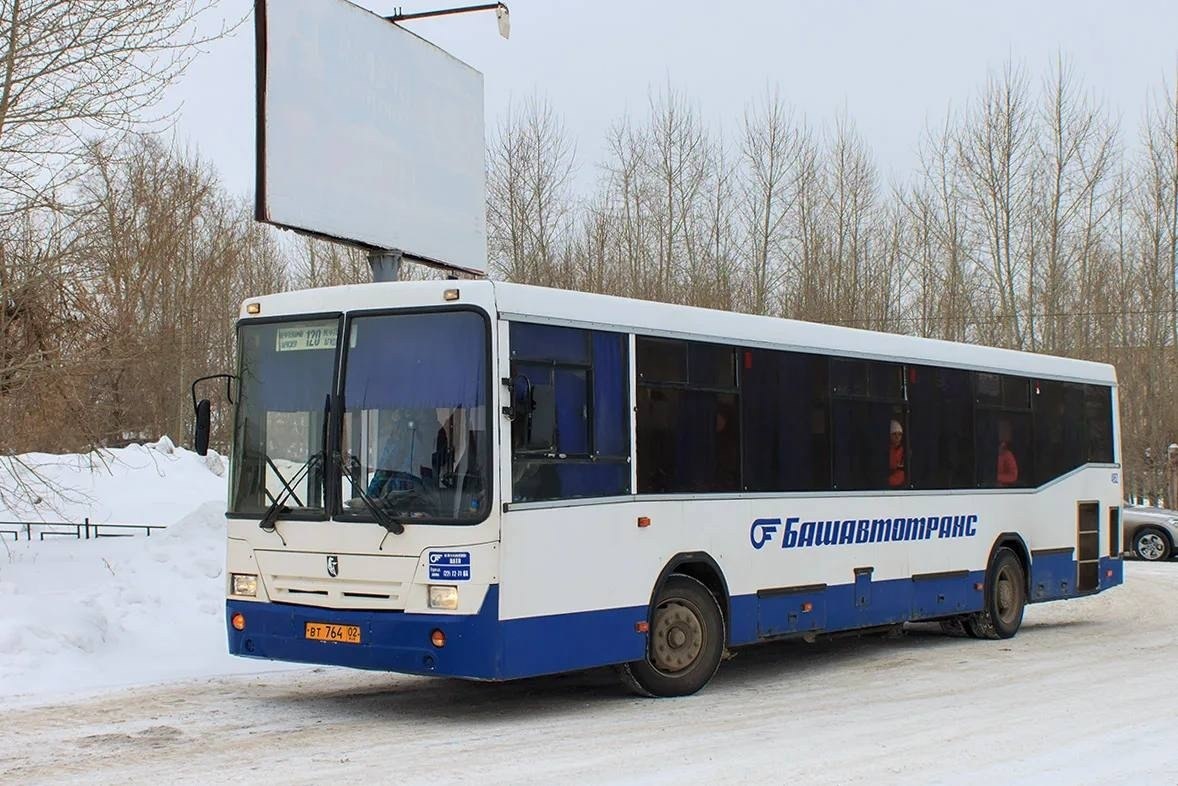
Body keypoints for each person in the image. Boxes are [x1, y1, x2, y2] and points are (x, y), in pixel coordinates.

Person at [997, 419, 1019, 486]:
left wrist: (996, 477)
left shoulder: (1007, 454)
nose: (1002, 444)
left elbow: (1013, 476)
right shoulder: (986, 455)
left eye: (1003, 442)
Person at [888, 419, 906, 488]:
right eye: (894, 434)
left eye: (900, 434)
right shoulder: (886, 451)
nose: (897, 437)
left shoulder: (905, 451)